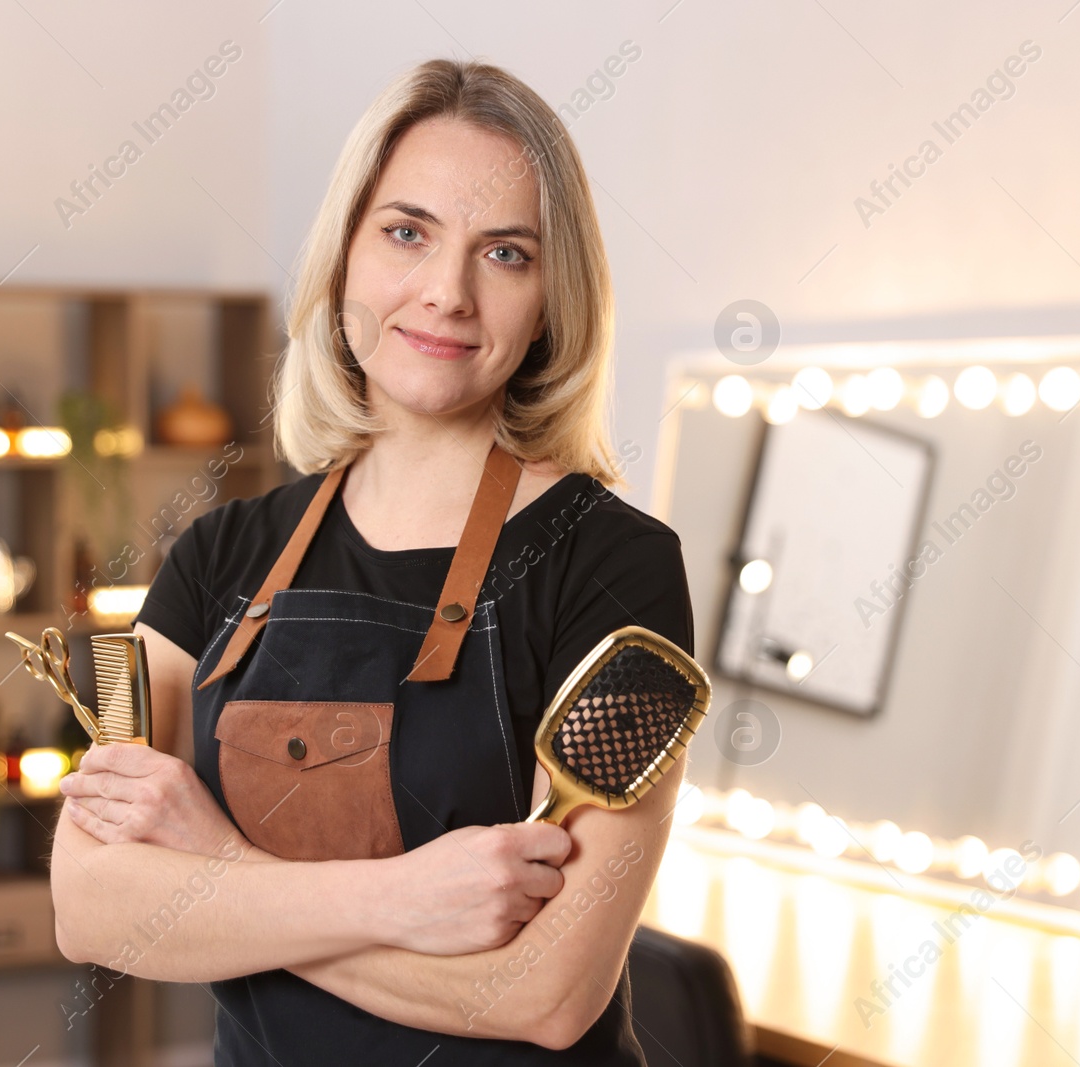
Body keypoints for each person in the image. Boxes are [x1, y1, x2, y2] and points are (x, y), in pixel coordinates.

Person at [50, 57, 694, 1064]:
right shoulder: (221, 555)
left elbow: (549, 994)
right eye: (407, 232)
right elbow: (90, 906)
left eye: (507, 253)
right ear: (344, 253)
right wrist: (402, 898)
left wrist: (214, 869)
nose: (447, 293)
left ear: (550, 300)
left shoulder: (617, 567)